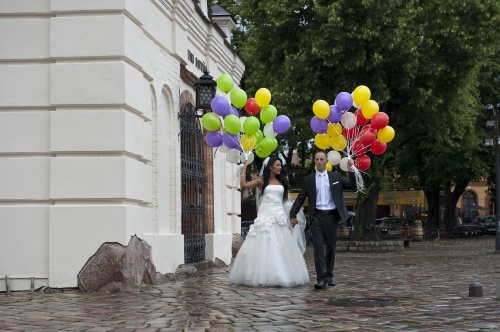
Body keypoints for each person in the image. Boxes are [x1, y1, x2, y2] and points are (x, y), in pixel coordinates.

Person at [229, 156, 309, 287]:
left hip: (278, 215)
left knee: (279, 244)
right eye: (278, 165)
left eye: (280, 165)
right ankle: (262, 274)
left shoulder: (282, 182)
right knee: (264, 242)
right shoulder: (261, 181)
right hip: (265, 215)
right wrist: (244, 169)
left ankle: (281, 274)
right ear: (270, 167)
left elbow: (285, 202)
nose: (280, 167)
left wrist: (291, 216)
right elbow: (243, 185)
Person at [290, 151, 357, 290]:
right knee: (318, 248)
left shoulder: (336, 176)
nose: (319, 161)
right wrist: (293, 213)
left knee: (331, 247)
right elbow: (301, 197)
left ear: (326, 161)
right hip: (316, 217)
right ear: (314, 162)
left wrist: (351, 170)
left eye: (322, 159)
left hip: (332, 216)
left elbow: (353, 187)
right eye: (317, 159)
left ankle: (329, 275)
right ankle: (321, 278)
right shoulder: (308, 179)